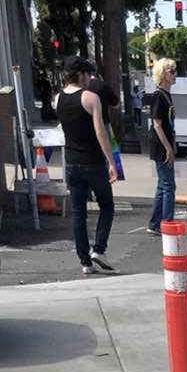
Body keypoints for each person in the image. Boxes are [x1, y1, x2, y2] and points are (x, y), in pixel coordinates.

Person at [54, 56, 117, 275]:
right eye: (87, 74)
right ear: (80, 75)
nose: (90, 78)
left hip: (71, 162)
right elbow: (101, 132)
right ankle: (99, 249)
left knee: (79, 212)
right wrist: (111, 162)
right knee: (107, 206)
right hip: (93, 162)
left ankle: (85, 262)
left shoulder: (58, 99)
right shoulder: (91, 98)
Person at [147, 57, 178, 235]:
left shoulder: (166, 95)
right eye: (171, 71)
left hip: (165, 143)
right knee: (168, 186)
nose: (175, 75)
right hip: (160, 145)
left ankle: (156, 223)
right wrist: (168, 148)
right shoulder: (159, 96)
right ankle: (167, 223)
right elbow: (157, 124)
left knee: (163, 185)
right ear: (163, 74)